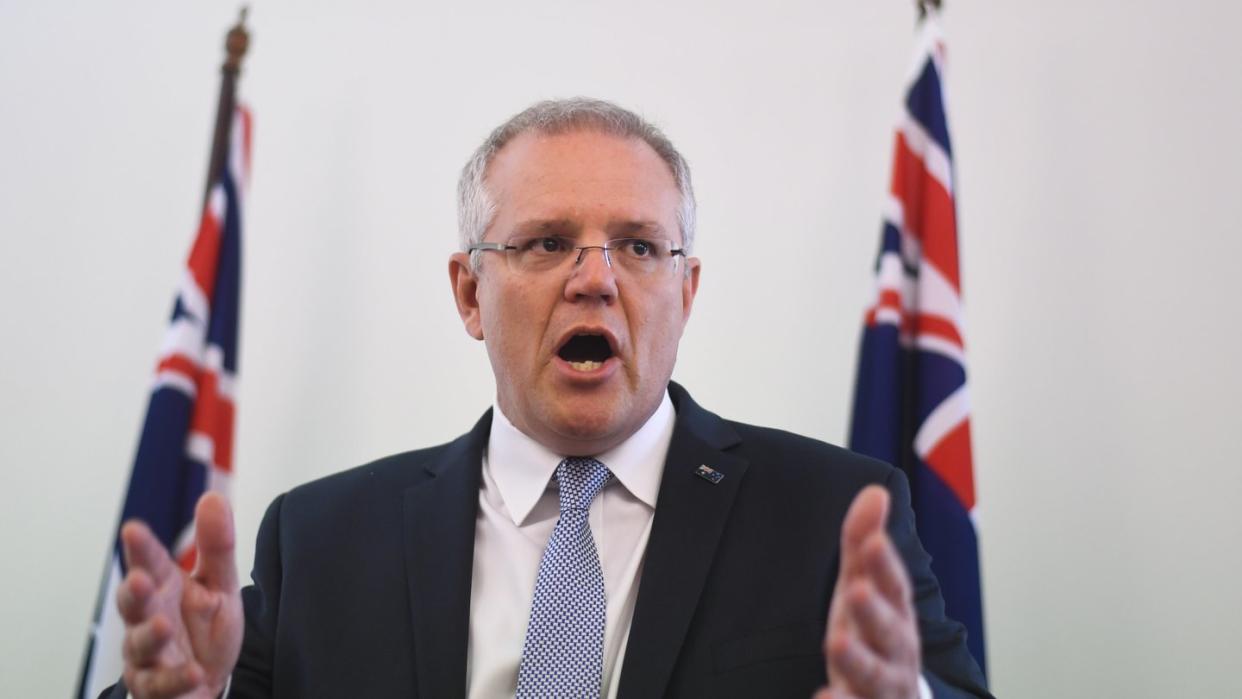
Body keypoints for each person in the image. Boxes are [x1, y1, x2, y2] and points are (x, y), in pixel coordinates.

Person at [107, 98, 991, 698]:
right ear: (468, 294)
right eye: (545, 243)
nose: (596, 280)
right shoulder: (326, 539)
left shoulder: (833, 514)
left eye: (641, 246)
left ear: (686, 294)